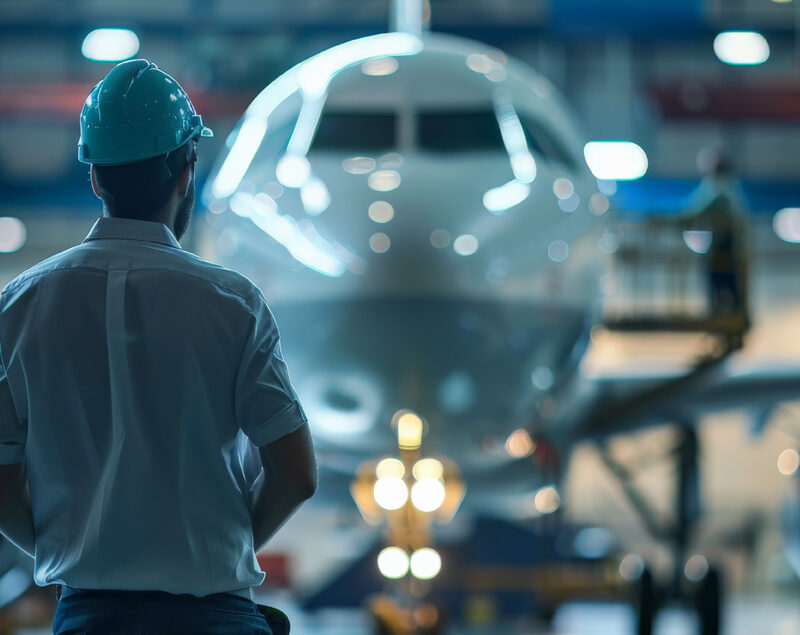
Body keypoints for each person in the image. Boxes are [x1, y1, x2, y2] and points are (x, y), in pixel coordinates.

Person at [0, 59, 316, 634]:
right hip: (212, 616)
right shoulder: (233, 302)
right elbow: (297, 473)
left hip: (87, 619)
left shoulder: (17, 306)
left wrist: (72, 549)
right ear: (186, 170)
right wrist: (227, 548)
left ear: (95, 177)